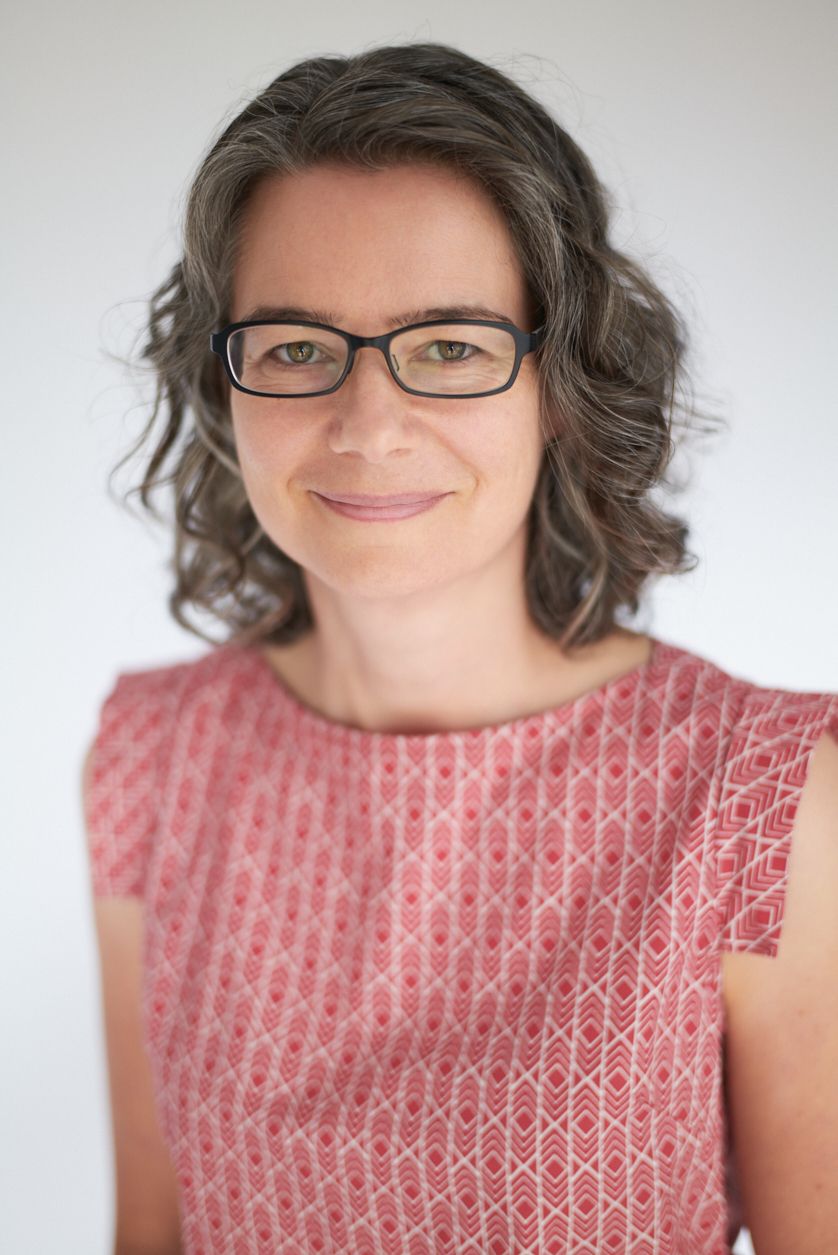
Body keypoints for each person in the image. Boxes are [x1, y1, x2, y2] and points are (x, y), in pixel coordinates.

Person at [82, 42, 838, 1255]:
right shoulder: (151, 756)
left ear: (562, 377)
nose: (368, 425)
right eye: (292, 345)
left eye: (449, 345)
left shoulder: (763, 801)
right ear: (222, 384)